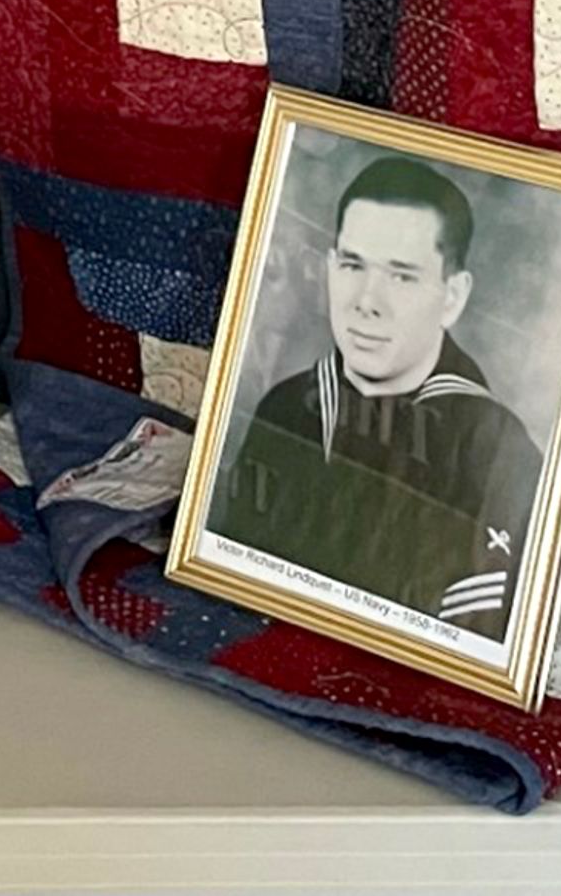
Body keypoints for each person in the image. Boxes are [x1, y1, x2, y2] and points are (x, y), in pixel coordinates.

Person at [212, 152, 544, 639]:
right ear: (329, 267)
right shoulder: (282, 409)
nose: (366, 302)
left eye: (401, 275)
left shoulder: (499, 451)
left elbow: (474, 638)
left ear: (452, 297)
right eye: (352, 265)